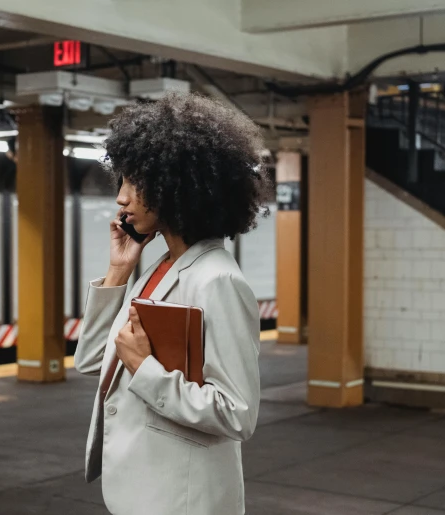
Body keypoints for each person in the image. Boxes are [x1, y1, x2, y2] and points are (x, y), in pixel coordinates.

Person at [74, 92, 269, 515]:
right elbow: (91, 361)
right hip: (144, 489)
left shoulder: (217, 280)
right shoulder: (158, 269)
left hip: (182, 500)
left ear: (178, 185)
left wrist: (145, 369)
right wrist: (118, 273)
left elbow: (237, 415)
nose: (121, 198)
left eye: (135, 182)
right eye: (121, 181)